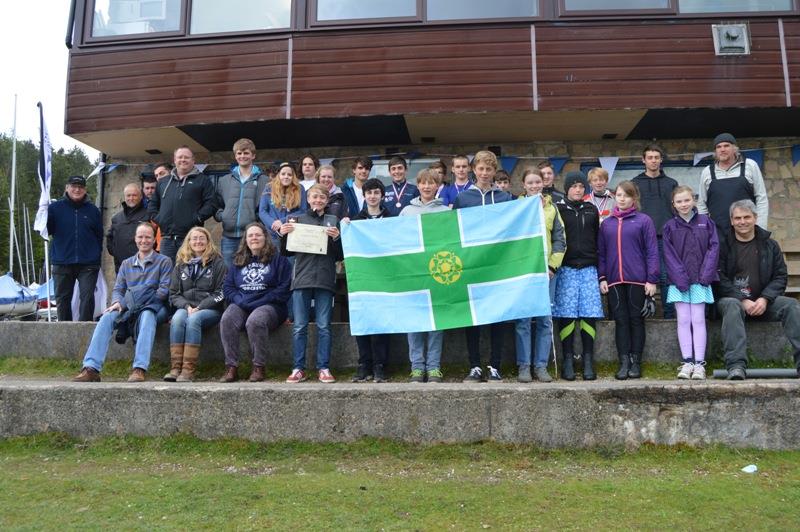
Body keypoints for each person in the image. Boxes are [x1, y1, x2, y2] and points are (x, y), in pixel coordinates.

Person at [72, 223, 172, 383]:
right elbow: (119, 288)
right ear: (135, 239)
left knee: (146, 316)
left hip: (154, 306)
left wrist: (137, 301)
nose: (144, 240)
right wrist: (118, 302)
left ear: (154, 240)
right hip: (129, 305)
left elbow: (163, 291)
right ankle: (91, 368)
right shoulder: (126, 264)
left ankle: (139, 368)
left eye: (148, 237)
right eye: (140, 237)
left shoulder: (164, 262)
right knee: (106, 317)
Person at [453, 150, 520, 382]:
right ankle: (474, 366)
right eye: (480, 169)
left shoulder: (505, 198)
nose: (484, 173)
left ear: (494, 172)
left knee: (497, 317)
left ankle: (494, 365)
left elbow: (516, 228)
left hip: (497, 267)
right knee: (472, 317)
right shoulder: (463, 199)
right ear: (474, 170)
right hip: (471, 266)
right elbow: (453, 232)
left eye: (488, 170)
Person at [715, 200, 800, 380]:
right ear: (731, 221)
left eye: (747, 217)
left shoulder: (770, 245)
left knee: (792, 305)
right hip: (732, 302)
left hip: (763, 302)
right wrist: (742, 300)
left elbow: (780, 277)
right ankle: (736, 366)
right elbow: (718, 278)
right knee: (731, 305)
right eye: (737, 218)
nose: (742, 221)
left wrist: (765, 299)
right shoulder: (722, 246)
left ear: (755, 218)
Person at [279, 184, 343, 384]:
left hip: (325, 277)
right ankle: (298, 368)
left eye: (322, 197)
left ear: (327, 200)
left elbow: (339, 256)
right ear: (308, 198)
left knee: (324, 326)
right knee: (299, 326)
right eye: (314, 197)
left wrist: (337, 239)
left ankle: (323, 367)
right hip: (302, 278)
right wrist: (284, 235)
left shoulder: (333, 221)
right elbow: (287, 252)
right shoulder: (297, 220)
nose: (318, 200)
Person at [598, 180, 659, 380]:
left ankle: (636, 362)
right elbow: (602, 253)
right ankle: (623, 362)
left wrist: (651, 279)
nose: (622, 199)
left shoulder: (643, 220)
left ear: (634, 198)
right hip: (614, 280)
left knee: (636, 320)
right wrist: (603, 277)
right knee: (621, 321)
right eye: (619, 195)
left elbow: (652, 251)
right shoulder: (607, 223)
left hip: (638, 280)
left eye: (626, 195)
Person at [219, 223, 292, 383]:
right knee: (227, 319)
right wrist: (240, 300)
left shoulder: (280, 261)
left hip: (271, 306)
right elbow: (228, 287)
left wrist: (259, 301)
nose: (254, 238)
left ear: (265, 237)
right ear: (246, 240)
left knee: (255, 320)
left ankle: (259, 367)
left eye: (258, 235)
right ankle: (231, 367)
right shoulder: (238, 261)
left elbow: (284, 288)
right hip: (243, 303)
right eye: (250, 235)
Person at [662, 186, 719, 381]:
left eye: (686, 200)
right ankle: (687, 362)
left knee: (698, 319)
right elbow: (668, 255)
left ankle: (699, 364)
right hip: (679, 283)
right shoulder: (670, 226)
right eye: (679, 201)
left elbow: (714, 249)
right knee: (683, 320)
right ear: (674, 204)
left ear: (693, 200)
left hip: (701, 281)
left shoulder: (706, 223)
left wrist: (705, 275)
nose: (683, 204)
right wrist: (680, 278)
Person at [553, 171, 604, 381]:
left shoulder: (591, 209)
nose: (578, 189)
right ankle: (567, 360)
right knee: (566, 314)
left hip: (589, 269)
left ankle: (588, 360)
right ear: (566, 188)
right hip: (566, 268)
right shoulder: (559, 209)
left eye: (581, 186)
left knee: (588, 314)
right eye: (574, 186)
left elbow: (599, 240)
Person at [400, 170, 449, 383]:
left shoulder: (446, 212)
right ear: (417, 185)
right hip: (414, 274)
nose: (427, 187)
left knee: (437, 323)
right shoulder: (406, 212)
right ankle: (417, 367)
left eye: (432, 183)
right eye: (423, 183)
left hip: (438, 274)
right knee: (414, 321)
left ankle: (434, 366)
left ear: (438, 186)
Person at [517, 168, 566, 383]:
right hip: (523, 273)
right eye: (530, 182)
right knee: (523, 321)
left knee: (545, 321)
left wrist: (552, 267)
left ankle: (541, 366)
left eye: (538, 182)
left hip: (547, 272)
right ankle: (524, 366)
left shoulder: (552, 208)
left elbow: (560, 240)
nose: (535, 185)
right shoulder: (515, 208)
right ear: (523, 185)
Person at [166, 227, 226, 382]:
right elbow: (173, 294)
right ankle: (175, 368)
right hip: (187, 307)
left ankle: (188, 370)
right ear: (189, 242)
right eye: (194, 238)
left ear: (208, 241)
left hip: (210, 309)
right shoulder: (181, 264)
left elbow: (221, 292)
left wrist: (201, 307)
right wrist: (187, 307)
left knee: (193, 320)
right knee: (178, 319)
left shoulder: (218, 263)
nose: (198, 241)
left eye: (201, 238)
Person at [348, 178, 392, 383]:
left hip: (385, 279)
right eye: (369, 193)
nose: (373, 196)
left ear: (382, 196)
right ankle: (364, 364)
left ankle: (380, 365)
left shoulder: (392, 219)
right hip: (363, 279)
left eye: (376, 192)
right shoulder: (355, 221)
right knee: (363, 321)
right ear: (364, 196)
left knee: (381, 323)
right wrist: (345, 228)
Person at [48, 175, 103, 322]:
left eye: (80, 187)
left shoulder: (93, 211)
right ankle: (65, 333)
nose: (77, 189)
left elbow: (99, 235)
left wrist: (96, 256)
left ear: (85, 190)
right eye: (74, 186)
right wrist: (42, 213)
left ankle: (85, 332)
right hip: (62, 261)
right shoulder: (54, 208)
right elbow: (46, 231)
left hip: (88, 263)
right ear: (67, 188)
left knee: (87, 298)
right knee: (62, 300)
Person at [632, 144, 678, 319]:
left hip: (665, 238)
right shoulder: (635, 183)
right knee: (641, 278)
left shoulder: (671, 183)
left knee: (667, 278)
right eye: (649, 157)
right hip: (641, 238)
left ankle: (669, 316)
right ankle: (643, 315)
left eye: (656, 157)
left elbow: (676, 210)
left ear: (661, 160)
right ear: (644, 160)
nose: (653, 161)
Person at [147, 146, 216, 264]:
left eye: (186, 157)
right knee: (167, 275)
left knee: (188, 273)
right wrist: (159, 219)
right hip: (167, 239)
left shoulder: (203, 180)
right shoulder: (164, 182)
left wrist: (197, 218)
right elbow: (153, 204)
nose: (183, 160)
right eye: (180, 157)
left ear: (193, 161)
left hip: (190, 239)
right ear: (174, 160)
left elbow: (211, 203)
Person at [214, 138, 269, 267]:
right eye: (239, 153)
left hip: (253, 236)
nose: (242, 156)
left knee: (253, 271)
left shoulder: (265, 181)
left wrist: (258, 222)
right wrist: (223, 216)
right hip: (228, 237)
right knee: (229, 274)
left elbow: (267, 207)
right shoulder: (224, 180)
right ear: (235, 156)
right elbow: (217, 204)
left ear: (253, 155)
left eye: (246, 153)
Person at [698, 133, 769, 231]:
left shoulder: (750, 166)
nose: (722, 149)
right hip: (718, 232)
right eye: (719, 147)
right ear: (715, 151)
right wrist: (703, 229)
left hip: (746, 230)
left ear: (734, 149)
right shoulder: (707, 171)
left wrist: (760, 227)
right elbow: (702, 204)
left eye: (726, 146)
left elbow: (761, 198)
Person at [259, 162, 308, 250]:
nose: (286, 176)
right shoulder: (269, 187)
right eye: (283, 174)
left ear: (293, 177)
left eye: (289, 174)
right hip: (272, 233)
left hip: (291, 233)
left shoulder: (300, 188)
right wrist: (273, 224)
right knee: (273, 261)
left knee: (290, 262)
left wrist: (282, 222)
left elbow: (303, 212)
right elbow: (262, 211)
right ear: (278, 175)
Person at [106, 183, 149, 273]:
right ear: (124, 197)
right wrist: (116, 253)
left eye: (134, 195)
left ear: (141, 196)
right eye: (128, 195)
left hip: (143, 266)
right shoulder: (117, 218)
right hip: (121, 267)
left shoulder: (148, 215)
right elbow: (109, 238)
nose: (131, 198)